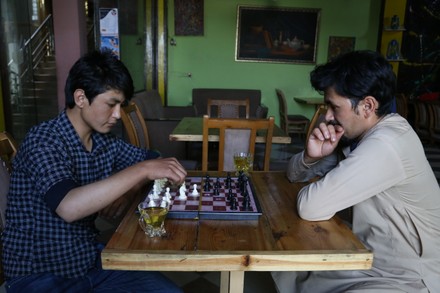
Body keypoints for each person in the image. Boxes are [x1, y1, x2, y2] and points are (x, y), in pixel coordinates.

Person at [2, 50, 186, 292]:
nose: (118, 115)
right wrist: (143, 170)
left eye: (121, 106)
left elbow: (154, 159)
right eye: (111, 104)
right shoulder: (43, 140)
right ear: (81, 98)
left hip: (89, 262)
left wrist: (129, 192)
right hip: (39, 273)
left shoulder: (102, 142)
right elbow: (69, 207)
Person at [272, 50, 440, 292]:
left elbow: (310, 206)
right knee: (288, 268)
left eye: (333, 106)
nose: (327, 116)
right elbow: (294, 175)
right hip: (367, 254)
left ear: (367, 106)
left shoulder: (386, 143)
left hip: (408, 274)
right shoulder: (360, 136)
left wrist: (320, 183)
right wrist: (311, 156)